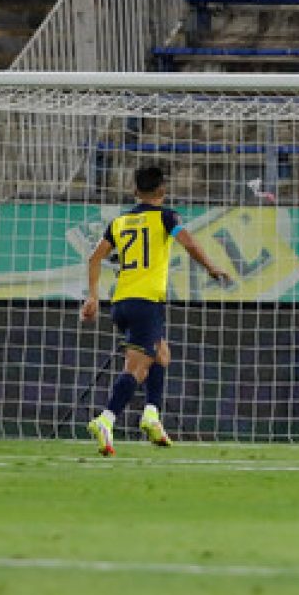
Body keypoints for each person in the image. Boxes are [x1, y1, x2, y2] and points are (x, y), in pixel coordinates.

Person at [80, 163, 230, 457]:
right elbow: (189, 244)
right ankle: (106, 419)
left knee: (161, 354)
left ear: (135, 191)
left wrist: (93, 297)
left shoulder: (119, 223)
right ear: (163, 190)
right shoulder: (166, 217)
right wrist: (212, 268)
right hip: (146, 301)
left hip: (121, 301)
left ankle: (151, 416)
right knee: (137, 368)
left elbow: (94, 258)